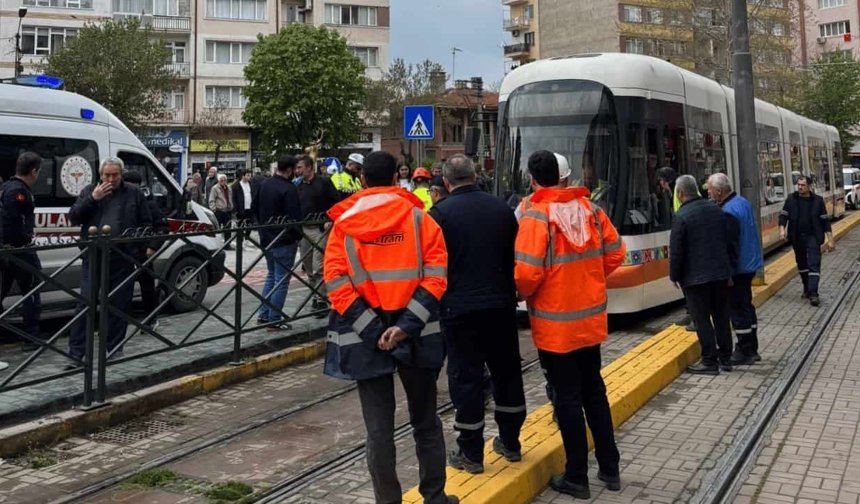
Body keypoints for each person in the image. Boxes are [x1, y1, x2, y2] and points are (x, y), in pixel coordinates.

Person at [322, 151, 457, 504]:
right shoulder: (421, 220)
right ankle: (435, 496)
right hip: (417, 336)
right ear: (397, 179)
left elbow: (336, 284)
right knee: (426, 421)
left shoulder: (343, 227)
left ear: (363, 180)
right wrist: (405, 327)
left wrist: (373, 331)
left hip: (365, 341)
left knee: (379, 432)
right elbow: (436, 278)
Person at [514, 151, 625, 499]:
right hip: (590, 321)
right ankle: (610, 468)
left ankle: (577, 475)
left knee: (567, 399)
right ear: (566, 178)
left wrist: (523, 294)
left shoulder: (536, 217)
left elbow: (528, 274)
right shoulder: (592, 211)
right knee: (595, 392)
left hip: (555, 327)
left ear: (533, 179)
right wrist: (591, 280)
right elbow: (616, 253)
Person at [428, 154, 526, 475]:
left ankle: (471, 454)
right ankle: (510, 443)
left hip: (459, 311)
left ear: (446, 181)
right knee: (507, 372)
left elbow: (432, 267)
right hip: (500, 306)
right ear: (474, 176)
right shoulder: (502, 210)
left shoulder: (438, 215)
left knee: (466, 379)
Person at [67, 157, 154, 365]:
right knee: (86, 304)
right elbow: (74, 217)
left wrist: (146, 247)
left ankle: (114, 350)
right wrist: (93, 199)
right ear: (100, 175)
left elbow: (146, 222)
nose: (111, 179)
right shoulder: (90, 191)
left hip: (122, 257)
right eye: (107, 175)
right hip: (93, 256)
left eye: (115, 175)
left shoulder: (133, 193)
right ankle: (76, 354)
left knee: (118, 304)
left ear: (121, 174)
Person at [670, 174, 736, 375]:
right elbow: (729, 241)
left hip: (695, 278)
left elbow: (676, 250)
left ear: (680, 194)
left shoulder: (681, 216)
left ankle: (709, 361)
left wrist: (674, 275)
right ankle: (726, 358)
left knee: (702, 320)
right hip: (720, 274)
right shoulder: (717, 209)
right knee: (722, 317)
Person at [707, 173, 763, 365]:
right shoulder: (742, 202)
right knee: (747, 305)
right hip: (750, 262)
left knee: (738, 309)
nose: (709, 193)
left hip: (738, 268)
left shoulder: (728, 211)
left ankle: (744, 350)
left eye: (711, 190)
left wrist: (728, 273)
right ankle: (752, 347)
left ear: (719, 191)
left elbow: (730, 246)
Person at [0, 152, 43, 352]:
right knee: (33, 289)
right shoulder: (19, 191)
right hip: (19, 250)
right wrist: (20, 241)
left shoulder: (7, 186)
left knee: (3, 289)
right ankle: (31, 337)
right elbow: (11, 222)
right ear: (33, 171)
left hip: (8, 249)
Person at [255, 156, 302, 331]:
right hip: (284, 239)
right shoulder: (289, 188)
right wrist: (297, 236)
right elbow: (295, 216)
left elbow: (254, 208)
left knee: (271, 276)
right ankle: (274, 319)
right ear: (289, 170)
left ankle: (264, 314)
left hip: (267, 238)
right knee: (281, 280)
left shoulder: (264, 184)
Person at [779, 175, 835, 307]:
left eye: (803, 185)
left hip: (813, 237)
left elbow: (825, 221)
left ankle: (814, 293)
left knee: (814, 264)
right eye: (798, 184)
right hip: (796, 237)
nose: (800, 187)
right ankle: (806, 287)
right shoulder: (791, 199)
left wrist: (830, 240)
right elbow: (783, 216)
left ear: (809, 186)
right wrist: (782, 230)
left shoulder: (818, 201)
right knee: (802, 264)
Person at [123, 170, 168, 331]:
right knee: (121, 289)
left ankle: (151, 319)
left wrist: (152, 246)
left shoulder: (149, 203)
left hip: (142, 252)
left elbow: (162, 227)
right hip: (123, 252)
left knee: (147, 287)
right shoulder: (119, 200)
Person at [295, 155, 340, 314]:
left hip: (320, 229)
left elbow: (336, 202)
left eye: (300, 167)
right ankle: (315, 295)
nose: (297, 170)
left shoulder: (324, 182)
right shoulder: (299, 185)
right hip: (304, 229)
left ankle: (322, 299)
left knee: (318, 265)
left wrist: (329, 219)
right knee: (308, 266)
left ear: (309, 167)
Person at [209, 174, 234, 247]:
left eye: (224, 180)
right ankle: (216, 245)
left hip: (227, 211)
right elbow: (211, 199)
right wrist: (214, 209)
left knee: (228, 229)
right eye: (221, 180)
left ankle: (227, 244)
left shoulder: (229, 188)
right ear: (219, 181)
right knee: (217, 228)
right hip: (219, 211)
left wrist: (231, 206)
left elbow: (230, 197)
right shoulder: (215, 188)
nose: (223, 181)